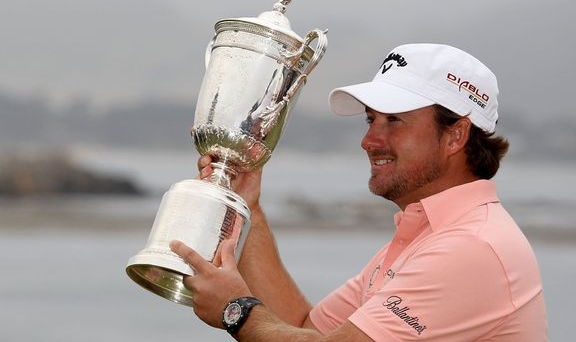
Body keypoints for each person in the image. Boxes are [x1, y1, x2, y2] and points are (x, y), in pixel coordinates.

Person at [170, 43, 547, 341]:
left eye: (394, 120)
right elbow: (306, 326)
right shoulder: (433, 234)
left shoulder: (472, 246)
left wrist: (236, 310)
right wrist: (249, 206)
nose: (369, 140)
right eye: (371, 120)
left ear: (455, 136)